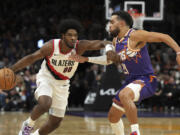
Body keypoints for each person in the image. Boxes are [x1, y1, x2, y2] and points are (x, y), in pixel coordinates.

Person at [68, 11, 180, 135]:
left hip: (147, 80)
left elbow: (164, 37)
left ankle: (135, 132)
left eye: (112, 22)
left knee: (124, 94)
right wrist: (87, 59)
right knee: (113, 117)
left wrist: (178, 52)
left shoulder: (135, 35)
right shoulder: (116, 41)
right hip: (130, 82)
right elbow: (108, 60)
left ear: (121, 23)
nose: (109, 25)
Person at [10, 19, 111, 135]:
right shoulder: (51, 46)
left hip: (63, 83)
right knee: (45, 104)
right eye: (69, 35)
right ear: (63, 36)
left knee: (55, 122)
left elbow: (102, 43)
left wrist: (109, 48)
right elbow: (31, 58)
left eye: (75, 35)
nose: (73, 38)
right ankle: (28, 125)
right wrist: (11, 70)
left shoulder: (80, 46)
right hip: (46, 77)